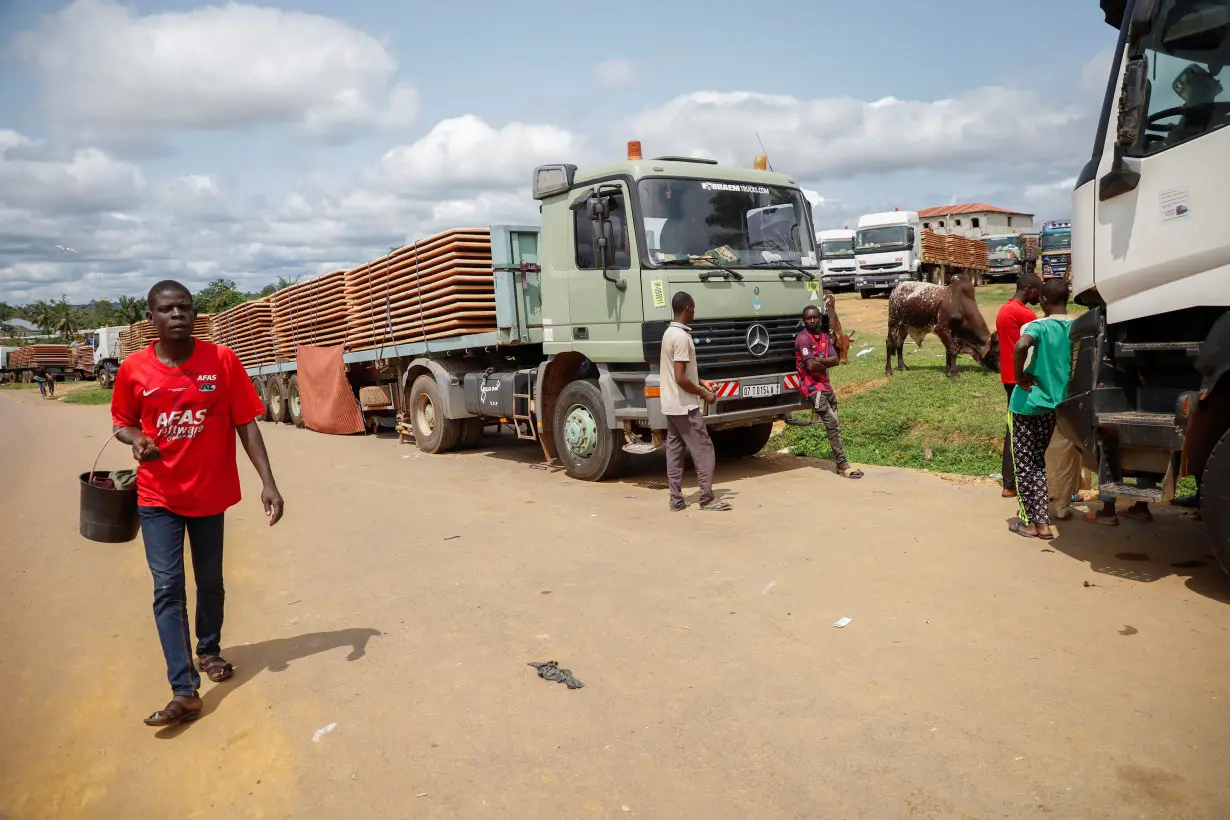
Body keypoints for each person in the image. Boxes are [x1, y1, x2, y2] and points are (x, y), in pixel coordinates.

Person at [111, 280, 284, 726]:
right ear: (151, 317)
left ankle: (208, 650)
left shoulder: (222, 360)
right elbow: (122, 423)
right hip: (157, 497)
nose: (178, 315)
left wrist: (269, 482)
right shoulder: (133, 369)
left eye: (185, 307)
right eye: (167, 309)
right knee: (167, 586)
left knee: (210, 582)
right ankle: (183, 690)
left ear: (194, 313)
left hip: (210, 495)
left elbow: (247, 424)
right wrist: (138, 439)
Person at [1008, 278, 1073, 539]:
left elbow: (1021, 344)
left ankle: (1028, 522)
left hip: (1027, 404)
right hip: (1053, 406)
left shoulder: (1039, 326)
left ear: (1043, 300)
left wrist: (1018, 376)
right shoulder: (1076, 327)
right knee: (1038, 463)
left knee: (1024, 465)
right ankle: (1044, 523)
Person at [660, 291, 730, 512]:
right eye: (694, 308)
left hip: (671, 404)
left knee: (674, 450)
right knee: (704, 450)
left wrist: (702, 381)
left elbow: (680, 372)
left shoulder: (669, 333)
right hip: (685, 405)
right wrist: (703, 393)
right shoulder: (681, 337)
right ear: (687, 308)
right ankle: (707, 499)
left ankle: (676, 500)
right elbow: (680, 377)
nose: (695, 312)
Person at [795, 304, 862, 478]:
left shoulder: (824, 337)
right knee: (832, 425)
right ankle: (842, 464)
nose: (812, 320)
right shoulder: (803, 339)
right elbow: (810, 365)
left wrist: (820, 360)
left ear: (819, 318)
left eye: (815, 317)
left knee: (836, 425)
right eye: (808, 318)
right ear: (803, 320)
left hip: (826, 387)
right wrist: (825, 360)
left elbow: (837, 359)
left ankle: (840, 462)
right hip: (813, 389)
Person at [995, 273, 1042, 498]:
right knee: (1028, 432)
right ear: (1030, 290)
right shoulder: (1025, 314)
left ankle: (1008, 483)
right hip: (1022, 379)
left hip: (1008, 377)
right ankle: (1016, 482)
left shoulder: (1004, 310)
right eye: (1038, 292)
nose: (1039, 296)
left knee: (1012, 427)